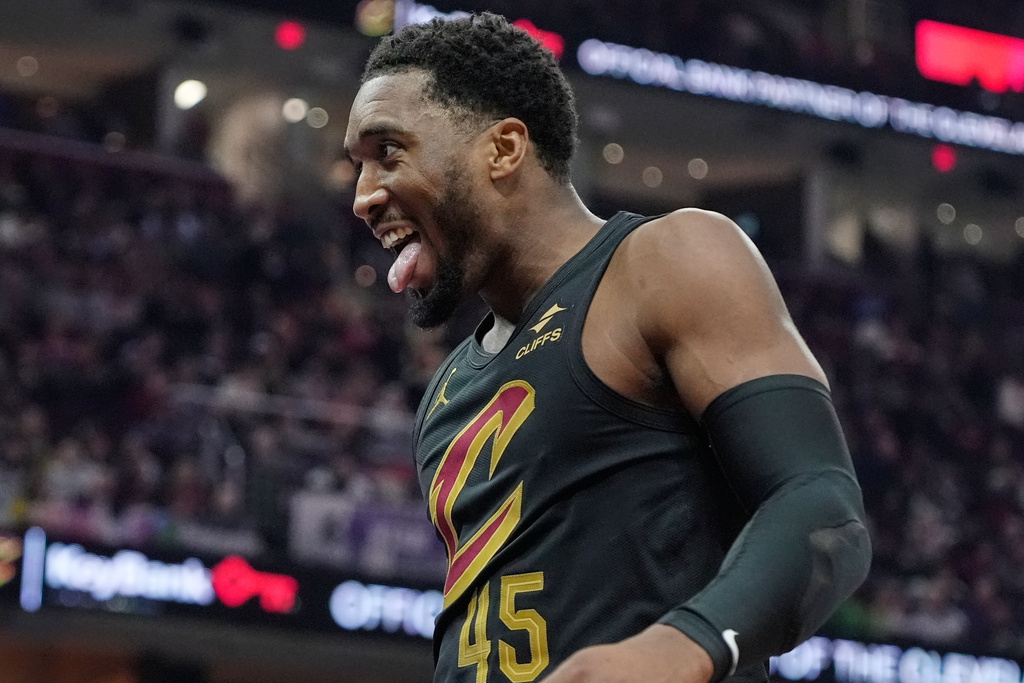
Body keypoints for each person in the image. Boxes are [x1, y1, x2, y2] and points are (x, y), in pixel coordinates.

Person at [343, 12, 871, 683]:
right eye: (356, 165)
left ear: (504, 149)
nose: (362, 197)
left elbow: (823, 507)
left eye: (388, 152)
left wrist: (686, 644)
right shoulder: (447, 392)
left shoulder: (663, 262)